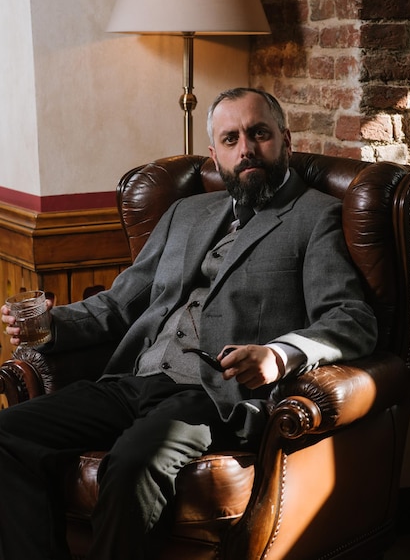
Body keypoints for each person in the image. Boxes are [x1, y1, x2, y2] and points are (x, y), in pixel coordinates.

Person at [0, 87, 377, 560]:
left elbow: (350, 318)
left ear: (285, 138)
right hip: (132, 381)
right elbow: (121, 302)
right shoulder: (186, 212)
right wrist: (54, 325)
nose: (246, 149)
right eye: (231, 138)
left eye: (259, 133)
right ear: (215, 154)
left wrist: (280, 355)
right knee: (6, 432)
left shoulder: (315, 217)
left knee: (134, 465)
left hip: (213, 396)